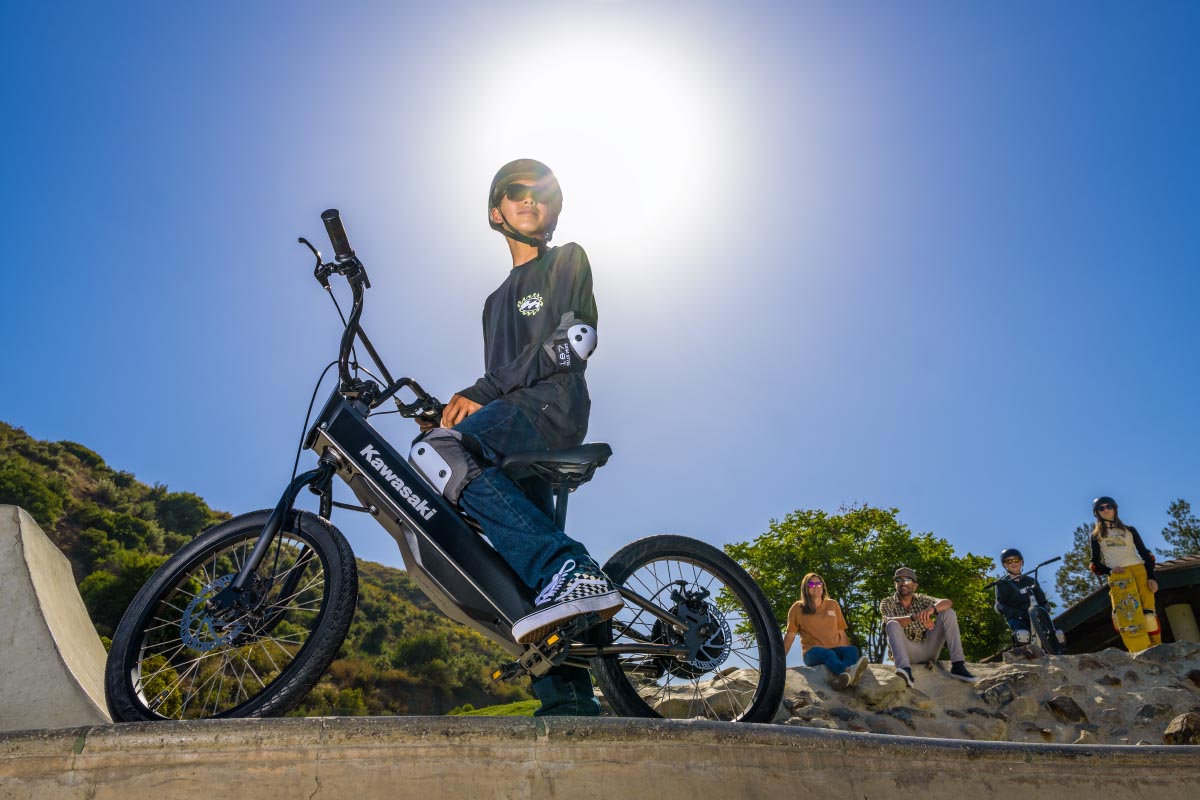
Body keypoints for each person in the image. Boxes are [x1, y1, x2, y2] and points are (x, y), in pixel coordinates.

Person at [412, 159, 622, 715]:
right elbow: (498, 382)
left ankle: (569, 568)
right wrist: (459, 414)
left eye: (542, 193)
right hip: (513, 420)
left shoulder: (566, 260)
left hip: (551, 407)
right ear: (495, 210)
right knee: (515, 571)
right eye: (517, 192)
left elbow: (575, 340)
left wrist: (480, 395)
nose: (531, 199)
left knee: (437, 455)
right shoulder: (492, 303)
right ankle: (569, 703)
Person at [878, 567, 977, 686]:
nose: (903, 582)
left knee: (948, 612)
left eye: (908, 580)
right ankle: (905, 671)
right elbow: (888, 620)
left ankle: (958, 665)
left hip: (928, 649)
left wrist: (931, 609)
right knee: (892, 624)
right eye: (899, 579)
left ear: (915, 586)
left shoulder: (921, 599)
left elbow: (948, 602)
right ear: (895, 584)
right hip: (906, 653)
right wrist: (915, 617)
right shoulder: (887, 602)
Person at [1089, 496, 1160, 650]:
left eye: (1109, 506)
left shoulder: (1129, 530)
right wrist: (1110, 571)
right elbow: (1094, 563)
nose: (1106, 510)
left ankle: (1156, 648)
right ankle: (1138, 650)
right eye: (1101, 508)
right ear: (1097, 513)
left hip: (1138, 570)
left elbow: (1146, 554)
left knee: (1148, 614)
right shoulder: (1096, 536)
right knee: (1125, 615)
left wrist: (1151, 577)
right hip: (1119, 575)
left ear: (1115, 508)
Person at [783, 572, 869, 690]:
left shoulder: (833, 605)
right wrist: (779, 661)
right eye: (812, 584)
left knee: (852, 650)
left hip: (834, 648)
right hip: (812, 653)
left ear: (823, 586)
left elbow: (842, 633)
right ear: (805, 588)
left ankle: (843, 678)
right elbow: (789, 636)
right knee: (828, 654)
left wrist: (845, 651)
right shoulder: (797, 608)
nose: (816, 586)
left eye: (819, 583)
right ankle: (847, 671)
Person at [993, 548, 1065, 648]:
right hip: (1017, 616)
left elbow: (1042, 600)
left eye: (1016, 560)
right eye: (1008, 561)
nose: (1013, 563)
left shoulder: (1031, 581)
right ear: (1004, 564)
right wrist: (1015, 614)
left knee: (1058, 634)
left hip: (1035, 614)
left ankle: (1061, 654)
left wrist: (1042, 611)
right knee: (1022, 634)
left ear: (1021, 562)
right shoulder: (1002, 583)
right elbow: (1000, 605)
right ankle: (1024, 655)